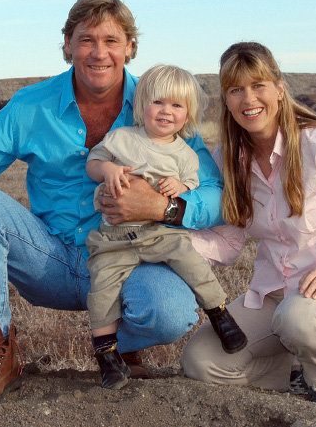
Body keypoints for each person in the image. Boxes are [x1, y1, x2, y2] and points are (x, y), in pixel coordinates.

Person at [0, 0, 224, 408]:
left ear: (131, 47)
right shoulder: (31, 104)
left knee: (172, 311)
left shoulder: (163, 104)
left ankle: (116, 346)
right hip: (51, 259)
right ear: (67, 45)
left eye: (112, 40)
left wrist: (164, 208)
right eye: (86, 40)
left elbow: (213, 192)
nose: (99, 53)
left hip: (132, 257)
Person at [180, 42, 316, 409]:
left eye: (258, 85)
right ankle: (298, 373)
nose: (249, 98)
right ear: (226, 100)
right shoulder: (226, 159)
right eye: (236, 89)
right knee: (201, 360)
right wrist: (169, 244)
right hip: (274, 295)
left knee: (301, 316)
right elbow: (228, 242)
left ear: (279, 88)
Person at [85, 64, 246, 390]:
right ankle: (107, 357)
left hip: (159, 232)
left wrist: (179, 186)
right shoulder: (121, 138)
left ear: (188, 114)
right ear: (142, 103)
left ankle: (220, 314)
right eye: (158, 102)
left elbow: (195, 186)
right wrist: (107, 170)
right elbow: (93, 163)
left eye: (177, 105)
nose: (166, 112)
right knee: (101, 290)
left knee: (191, 261)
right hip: (113, 237)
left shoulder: (187, 154)